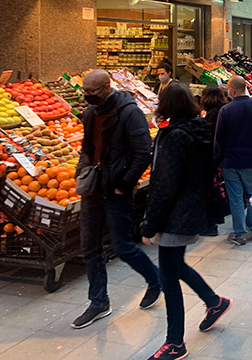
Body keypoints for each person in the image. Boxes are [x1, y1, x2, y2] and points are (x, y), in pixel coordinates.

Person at [141, 83, 230, 360]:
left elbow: (165, 185)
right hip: (190, 210)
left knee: (168, 277)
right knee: (174, 266)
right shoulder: (197, 129)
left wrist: (149, 224)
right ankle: (214, 302)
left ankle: (175, 342)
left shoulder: (174, 136)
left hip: (175, 215)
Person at [72, 70, 160, 329]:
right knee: (89, 246)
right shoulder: (90, 114)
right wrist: (82, 169)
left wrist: (125, 184)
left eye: (92, 92)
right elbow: (87, 147)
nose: (87, 96)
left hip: (117, 189)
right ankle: (99, 301)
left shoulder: (129, 112)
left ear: (107, 87)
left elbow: (144, 151)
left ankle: (155, 280)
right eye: (85, 92)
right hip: (93, 188)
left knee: (123, 247)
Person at [214, 76, 252, 246]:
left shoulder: (226, 111)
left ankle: (239, 232)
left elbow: (219, 139)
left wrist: (216, 161)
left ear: (232, 90)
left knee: (236, 198)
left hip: (230, 161)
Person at [199, 87, 229, 237]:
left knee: (211, 191)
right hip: (218, 158)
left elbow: (211, 138)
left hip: (212, 159)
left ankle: (210, 224)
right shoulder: (222, 111)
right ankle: (215, 220)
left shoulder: (212, 115)